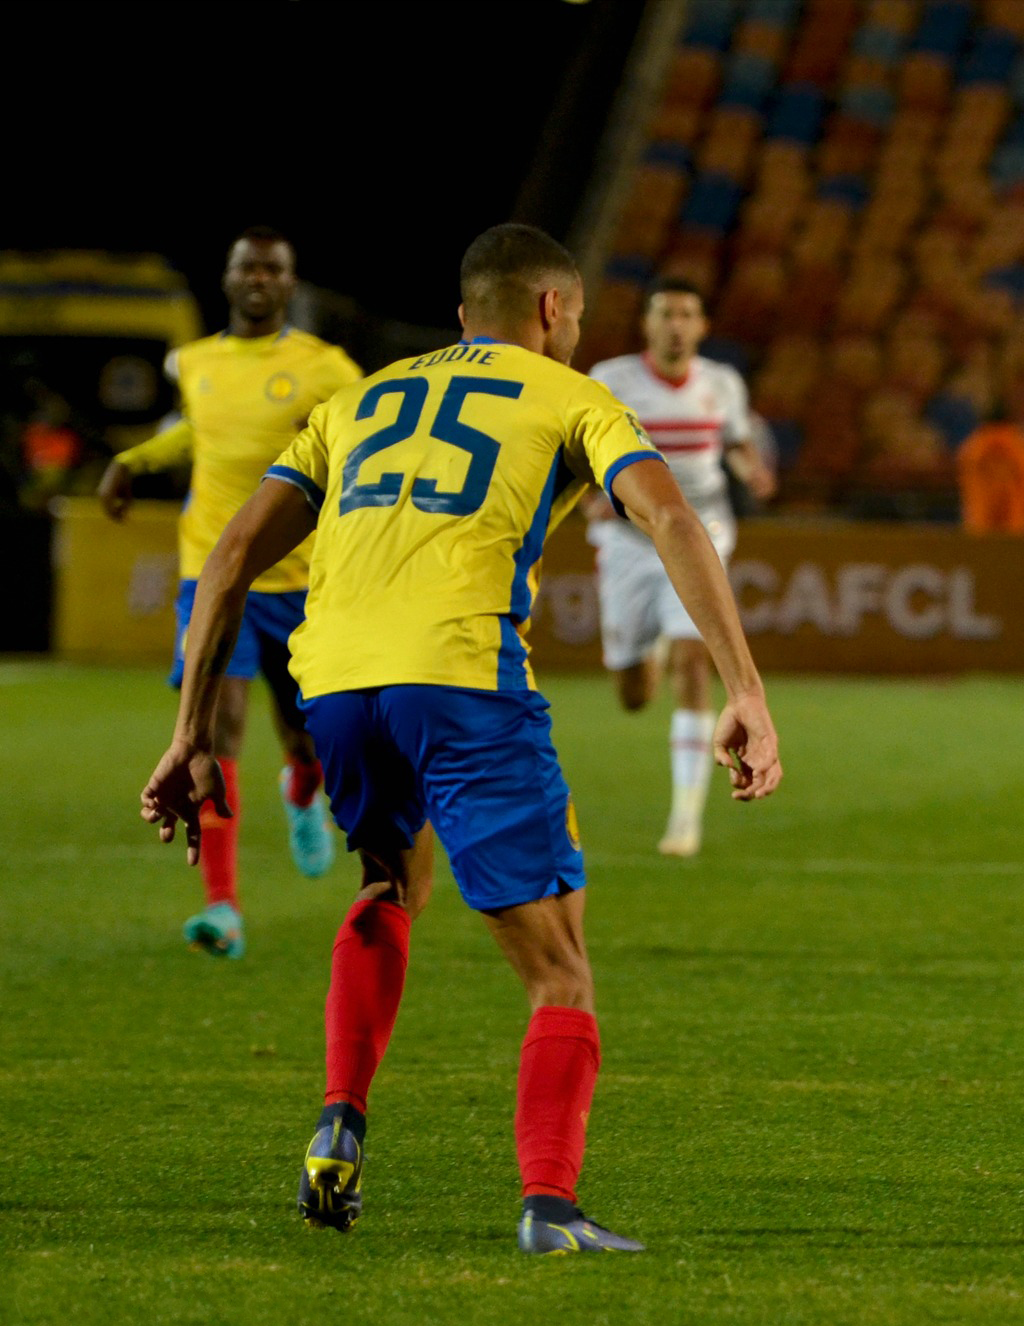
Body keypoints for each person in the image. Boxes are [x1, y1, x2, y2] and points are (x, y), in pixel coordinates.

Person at [138, 224, 783, 1254]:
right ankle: (550, 1206)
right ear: (548, 312)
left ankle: (338, 1118)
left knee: (390, 881)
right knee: (559, 967)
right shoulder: (569, 393)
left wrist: (186, 734)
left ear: (459, 317)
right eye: (571, 320)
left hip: (335, 683)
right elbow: (670, 518)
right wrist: (744, 685)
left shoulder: (357, 400)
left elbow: (223, 561)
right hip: (461, 676)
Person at [99, 228, 358, 958]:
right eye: (249, 266)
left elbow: (364, 435)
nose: (260, 279)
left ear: (290, 282)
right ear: (229, 276)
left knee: (308, 737)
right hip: (211, 576)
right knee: (220, 725)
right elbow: (198, 438)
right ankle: (223, 907)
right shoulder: (197, 362)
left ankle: (303, 788)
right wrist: (132, 461)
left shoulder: (324, 366)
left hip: (300, 579)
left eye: (273, 269)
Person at [583, 278, 774, 858]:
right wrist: (591, 491)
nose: (675, 325)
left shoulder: (722, 384)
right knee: (634, 692)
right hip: (627, 538)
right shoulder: (609, 380)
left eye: (687, 314)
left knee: (695, 659)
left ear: (702, 326)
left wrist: (753, 470)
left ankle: (684, 819)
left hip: (701, 528)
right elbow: (582, 454)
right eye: (665, 313)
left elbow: (736, 443)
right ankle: (651, 649)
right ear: (646, 323)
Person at [956, 402, 1024, 535]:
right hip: (1015, 528)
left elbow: (964, 479)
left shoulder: (975, 445)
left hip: (980, 529)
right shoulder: (1020, 445)